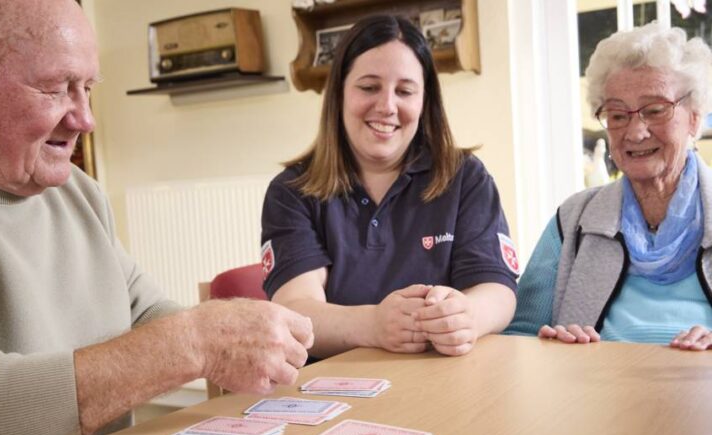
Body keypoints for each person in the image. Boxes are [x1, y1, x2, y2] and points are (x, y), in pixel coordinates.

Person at [0, 0, 314, 435]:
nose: (85, 118)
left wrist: (232, 338)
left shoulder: (77, 192)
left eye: (87, 87)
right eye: (55, 88)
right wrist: (196, 343)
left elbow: (145, 316)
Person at [260, 15, 518, 360]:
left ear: (425, 101)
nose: (387, 107)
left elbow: (497, 290)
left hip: (445, 380)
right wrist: (373, 325)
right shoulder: (291, 191)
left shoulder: (466, 178)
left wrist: (468, 316)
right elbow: (296, 311)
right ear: (339, 93)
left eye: (405, 91)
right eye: (368, 87)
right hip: (336, 387)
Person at [506, 23, 712, 350]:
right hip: (595, 392)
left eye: (655, 110)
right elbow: (520, 336)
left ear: (694, 118)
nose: (635, 132)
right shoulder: (573, 219)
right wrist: (550, 345)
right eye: (618, 116)